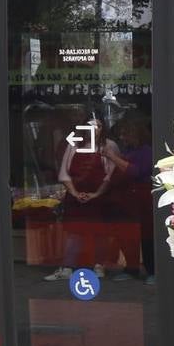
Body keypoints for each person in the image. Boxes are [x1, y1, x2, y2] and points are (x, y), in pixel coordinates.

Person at [44, 115, 118, 281]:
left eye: (98, 126)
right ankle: (68, 267)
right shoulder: (74, 145)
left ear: (103, 128)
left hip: (100, 198)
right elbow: (64, 173)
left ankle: (99, 265)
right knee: (74, 233)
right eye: (90, 126)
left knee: (100, 233)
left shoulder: (109, 146)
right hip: (75, 196)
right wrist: (75, 193)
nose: (94, 129)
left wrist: (97, 194)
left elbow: (111, 174)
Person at [103, 117, 155, 284]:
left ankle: (152, 270)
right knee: (127, 235)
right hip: (126, 199)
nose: (123, 138)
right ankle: (131, 268)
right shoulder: (129, 151)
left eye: (126, 134)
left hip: (142, 199)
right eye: (122, 135)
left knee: (147, 236)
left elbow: (135, 171)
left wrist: (113, 157)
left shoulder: (146, 151)